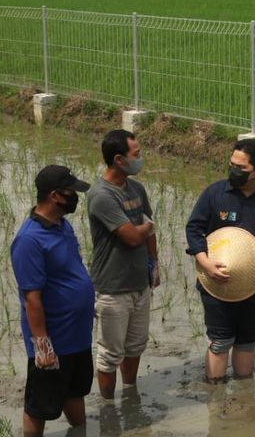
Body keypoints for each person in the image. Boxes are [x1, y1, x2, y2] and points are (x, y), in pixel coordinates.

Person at [186, 138, 255, 382]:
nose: (234, 171)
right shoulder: (215, 194)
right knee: (220, 339)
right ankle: (215, 396)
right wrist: (204, 262)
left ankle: (245, 399)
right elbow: (194, 229)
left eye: (242, 168)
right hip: (217, 283)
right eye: (232, 164)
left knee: (247, 341)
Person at [10, 165, 94, 437]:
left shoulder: (62, 225)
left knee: (75, 390)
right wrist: (42, 345)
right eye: (71, 192)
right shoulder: (29, 240)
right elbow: (31, 299)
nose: (75, 197)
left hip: (78, 334)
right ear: (56, 196)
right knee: (40, 405)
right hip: (54, 339)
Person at [87, 129, 159, 399]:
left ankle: (130, 393)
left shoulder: (136, 189)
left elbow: (149, 230)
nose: (140, 159)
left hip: (139, 283)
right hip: (113, 289)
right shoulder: (102, 196)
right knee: (110, 354)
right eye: (136, 154)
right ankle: (108, 406)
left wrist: (154, 262)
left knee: (135, 346)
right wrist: (145, 227)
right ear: (119, 159)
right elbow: (131, 237)